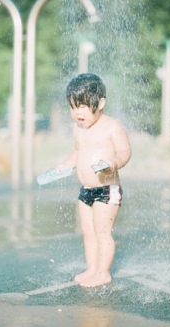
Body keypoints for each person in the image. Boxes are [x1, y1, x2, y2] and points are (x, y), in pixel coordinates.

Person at [54, 73, 131, 287]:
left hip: (107, 189)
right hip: (86, 189)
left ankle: (103, 272)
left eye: (84, 106)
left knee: (102, 232)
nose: (78, 113)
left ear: (101, 103)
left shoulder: (112, 127)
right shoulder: (78, 129)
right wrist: (64, 165)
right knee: (88, 233)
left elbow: (125, 152)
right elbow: (77, 153)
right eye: (73, 107)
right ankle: (92, 268)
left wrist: (113, 164)